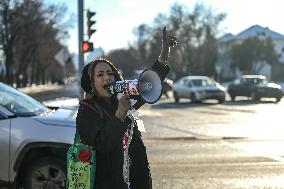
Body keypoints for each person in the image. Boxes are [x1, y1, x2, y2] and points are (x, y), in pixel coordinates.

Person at [76, 27, 177, 189]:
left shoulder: (121, 99)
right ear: (91, 84)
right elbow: (102, 144)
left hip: (136, 181)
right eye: (100, 75)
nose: (107, 77)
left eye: (110, 73)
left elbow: (150, 83)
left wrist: (164, 54)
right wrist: (119, 115)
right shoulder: (86, 112)